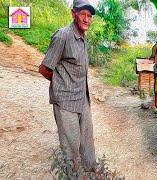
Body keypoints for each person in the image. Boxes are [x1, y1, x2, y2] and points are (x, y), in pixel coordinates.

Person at [38, 0, 96, 173]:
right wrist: (61, 85)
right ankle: (73, 176)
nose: (86, 19)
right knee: (71, 146)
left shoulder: (84, 38)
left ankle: (92, 174)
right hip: (65, 102)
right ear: (73, 14)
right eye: (83, 14)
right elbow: (44, 69)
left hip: (82, 98)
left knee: (87, 142)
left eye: (89, 16)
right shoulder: (62, 36)